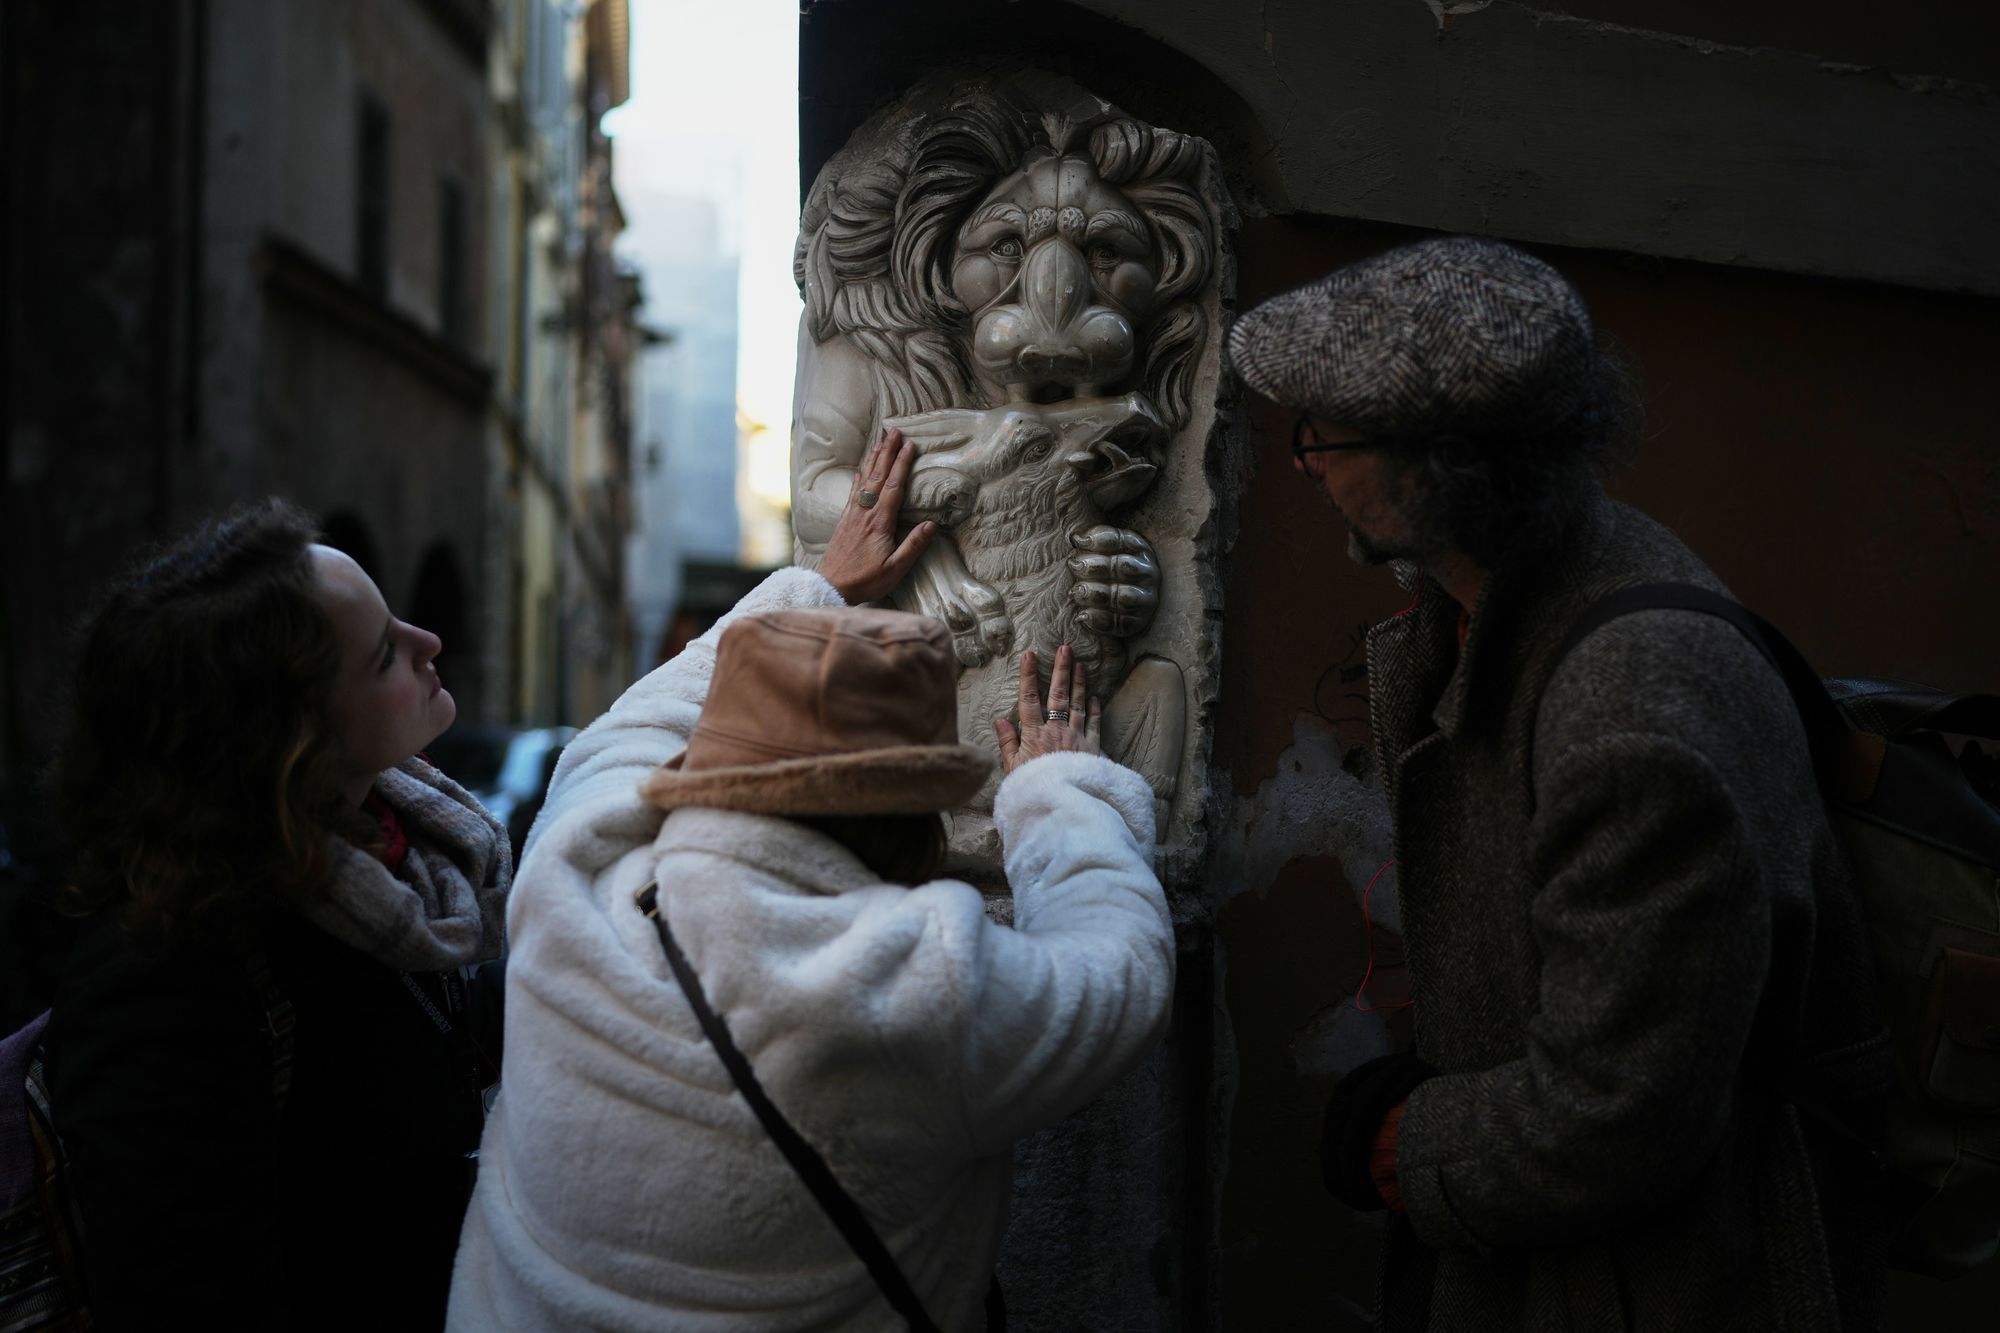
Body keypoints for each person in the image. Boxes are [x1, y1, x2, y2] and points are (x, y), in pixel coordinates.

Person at [1228, 237, 1892, 1331]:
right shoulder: (1523, 585)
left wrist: (1402, 1141)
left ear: (1437, 468)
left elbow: (1615, 1112)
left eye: (1322, 435)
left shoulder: (1632, 698)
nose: (1302, 463)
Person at [446, 428, 1176, 1331]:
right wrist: (1059, 791)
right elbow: (1122, 972)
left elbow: (620, 735)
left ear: (714, 767)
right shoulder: (913, 980)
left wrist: (811, 597)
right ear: (917, 822)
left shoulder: (573, 871)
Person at [41, 499, 511, 1330]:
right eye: (382, 657)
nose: (427, 643)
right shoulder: (169, 977)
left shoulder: (399, 869)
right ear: (291, 744)